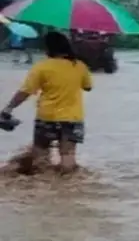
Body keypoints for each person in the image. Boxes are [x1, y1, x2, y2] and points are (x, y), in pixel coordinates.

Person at [1, 31, 92, 174]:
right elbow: (88, 87)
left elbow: (25, 91)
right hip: (73, 118)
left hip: (47, 117)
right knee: (68, 155)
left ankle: (40, 183)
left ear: (48, 48)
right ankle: (68, 184)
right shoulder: (79, 66)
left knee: (41, 156)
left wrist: (9, 108)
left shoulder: (42, 67)